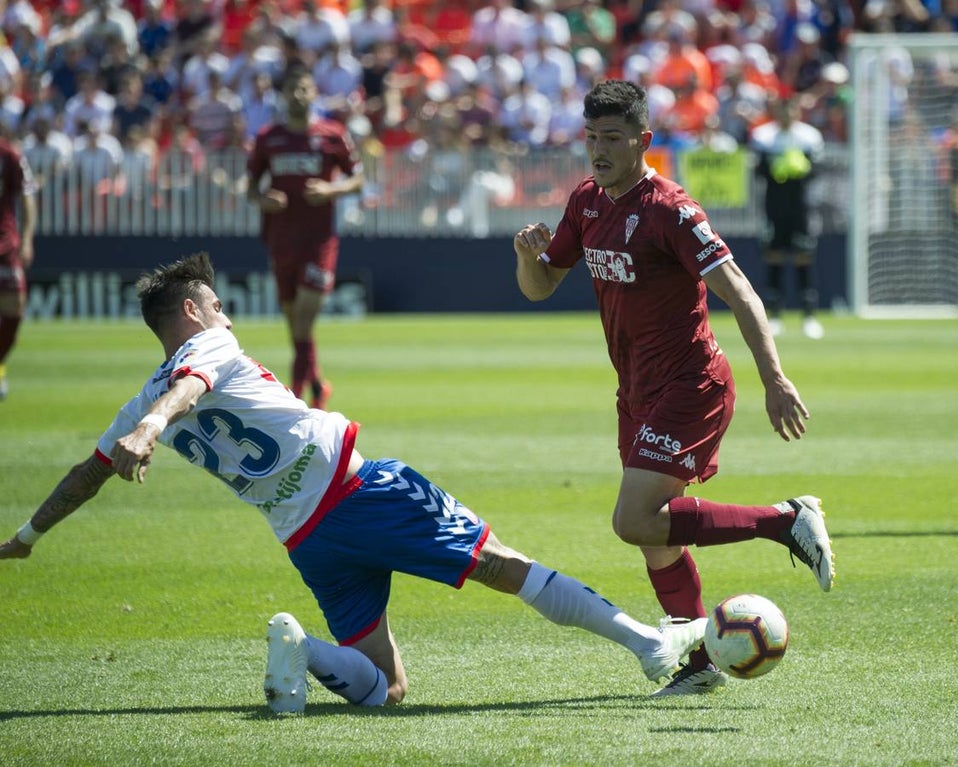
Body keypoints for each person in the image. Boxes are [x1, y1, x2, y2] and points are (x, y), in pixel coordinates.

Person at [0, 252, 707, 713]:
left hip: (307, 541)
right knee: (502, 563)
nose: (226, 315)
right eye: (217, 304)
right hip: (361, 493)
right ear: (193, 312)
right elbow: (190, 387)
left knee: (387, 691)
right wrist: (155, 427)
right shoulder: (205, 348)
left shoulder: (134, 402)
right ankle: (651, 648)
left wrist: (29, 534)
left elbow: (85, 477)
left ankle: (305, 652)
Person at [513, 80, 835, 696]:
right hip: (636, 390)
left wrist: (775, 378)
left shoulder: (670, 208)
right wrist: (528, 256)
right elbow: (540, 286)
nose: (599, 150)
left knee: (635, 518)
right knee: (656, 535)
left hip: (692, 383)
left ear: (644, 141)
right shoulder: (586, 201)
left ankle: (784, 520)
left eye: (613, 138)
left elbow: (740, 291)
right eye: (592, 137)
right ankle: (701, 665)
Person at [246, 65, 364, 411]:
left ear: (314, 93)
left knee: (304, 317)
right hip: (280, 238)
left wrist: (331, 189)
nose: (298, 96)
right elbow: (251, 187)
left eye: (304, 89)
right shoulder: (268, 138)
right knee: (295, 322)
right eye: (292, 90)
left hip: (319, 240)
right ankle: (317, 385)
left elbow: (358, 179)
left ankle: (296, 398)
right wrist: (264, 199)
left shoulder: (333, 134)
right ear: (283, 96)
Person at [749, 95, 827, 340]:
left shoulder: (809, 137)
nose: (787, 115)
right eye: (782, 110)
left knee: (804, 255)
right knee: (774, 256)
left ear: (797, 111)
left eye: (791, 109)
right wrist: (775, 167)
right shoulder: (763, 136)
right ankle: (774, 316)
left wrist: (800, 167)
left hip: (801, 208)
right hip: (774, 207)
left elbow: (816, 171)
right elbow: (758, 171)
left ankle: (809, 316)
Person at [0, 135, 37, 400]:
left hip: (5, 244)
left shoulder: (9, 155)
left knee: (15, 308)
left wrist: (26, 239)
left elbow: (27, 197)